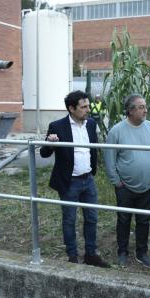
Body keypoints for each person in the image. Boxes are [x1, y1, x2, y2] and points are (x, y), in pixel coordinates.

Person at [40, 90, 109, 268]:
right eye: (83, 107)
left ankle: (91, 254)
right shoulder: (57, 126)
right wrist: (50, 142)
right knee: (69, 219)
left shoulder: (91, 124)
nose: (88, 109)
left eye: (88, 105)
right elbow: (44, 153)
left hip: (88, 179)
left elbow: (92, 148)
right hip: (69, 182)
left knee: (92, 218)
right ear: (71, 108)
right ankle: (72, 256)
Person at [104, 94, 150, 268]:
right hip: (124, 186)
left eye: (145, 106)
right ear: (130, 111)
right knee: (123, 219)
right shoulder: (117, 131)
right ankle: (122, 251)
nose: (145, 110)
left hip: (148, 184)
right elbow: (109, 158)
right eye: (141, 107)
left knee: (144, 220)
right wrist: (116, 181)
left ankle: (141, 252)